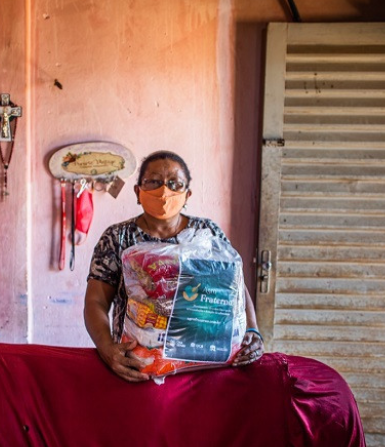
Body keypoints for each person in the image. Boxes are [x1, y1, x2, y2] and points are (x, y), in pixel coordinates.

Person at [84, 150, 264, 382]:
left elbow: (235, 289)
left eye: (174, 183)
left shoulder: (206, 234)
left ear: (187, 194)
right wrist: (107, 348)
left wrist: (252, 330)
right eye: (154, 182)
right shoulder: (118, 237)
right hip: (140, 366)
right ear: (138, 191)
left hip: (204, 367)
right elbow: (96, 301)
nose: (164, 190)